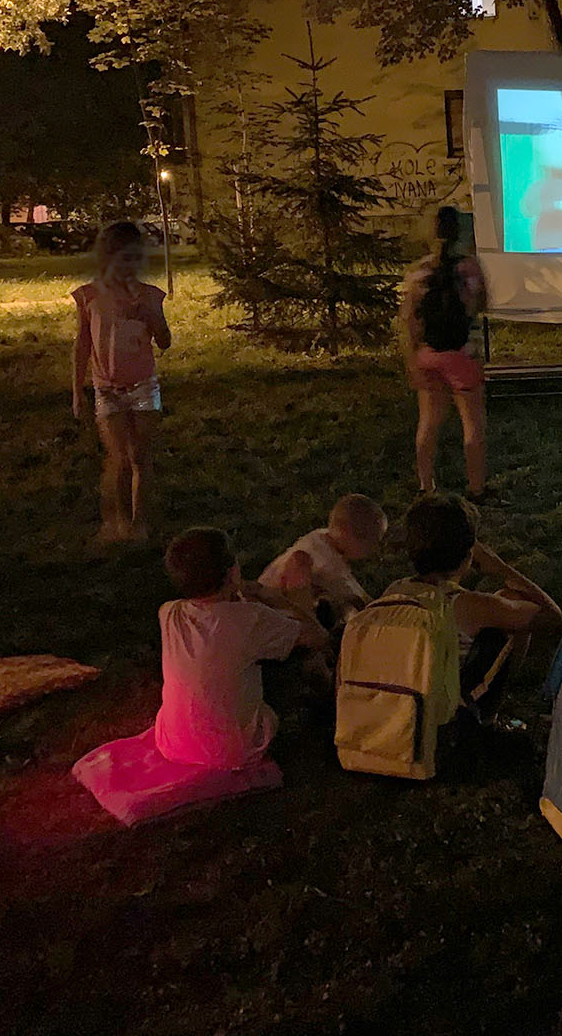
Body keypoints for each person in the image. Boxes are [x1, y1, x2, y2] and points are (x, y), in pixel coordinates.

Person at [153, 527, 325, 770]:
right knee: (293, 655)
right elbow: (318, 636)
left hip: (172, 744)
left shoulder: (168, 613)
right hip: (235, 752)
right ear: (232, 573)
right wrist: (276, 599)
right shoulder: (251, 619)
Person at [387, 493, 562, 728]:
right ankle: (487, 720)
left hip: (394, 710)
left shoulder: (394, 590)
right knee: (508, 610)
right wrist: (500, 568)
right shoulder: (470, 607)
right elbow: (552, 617)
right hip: (442, 722)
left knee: (503, 605)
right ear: (469, 553)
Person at [72, 220, 171, 544]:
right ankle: (114, 523)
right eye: (122, 259)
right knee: (117, 459)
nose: (128, 267)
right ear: (108, 258)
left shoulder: (149, 296)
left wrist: (151, 318)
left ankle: (140, 523)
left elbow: (166, 341)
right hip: (106, 388)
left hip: (143, 386)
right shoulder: (90, 297)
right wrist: (77, 391)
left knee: (140, 456)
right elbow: (82, 344)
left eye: (134, 259)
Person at [400, 207, 495, 502]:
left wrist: (412, 358)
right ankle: (476, 488)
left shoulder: (418, 273)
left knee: (428, 422)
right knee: (473, 426)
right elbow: (482, 303)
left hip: (427, 355)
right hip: (461, 355)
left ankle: (426, 486)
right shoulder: (469, 268)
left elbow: (408, 320)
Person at [257, 493, 388, 627]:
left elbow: (354, 595)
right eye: (373, 541)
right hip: (270, 619)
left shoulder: (329, 551)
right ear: (347, 532)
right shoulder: (316, 555)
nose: (374, 549)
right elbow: (300, 593)